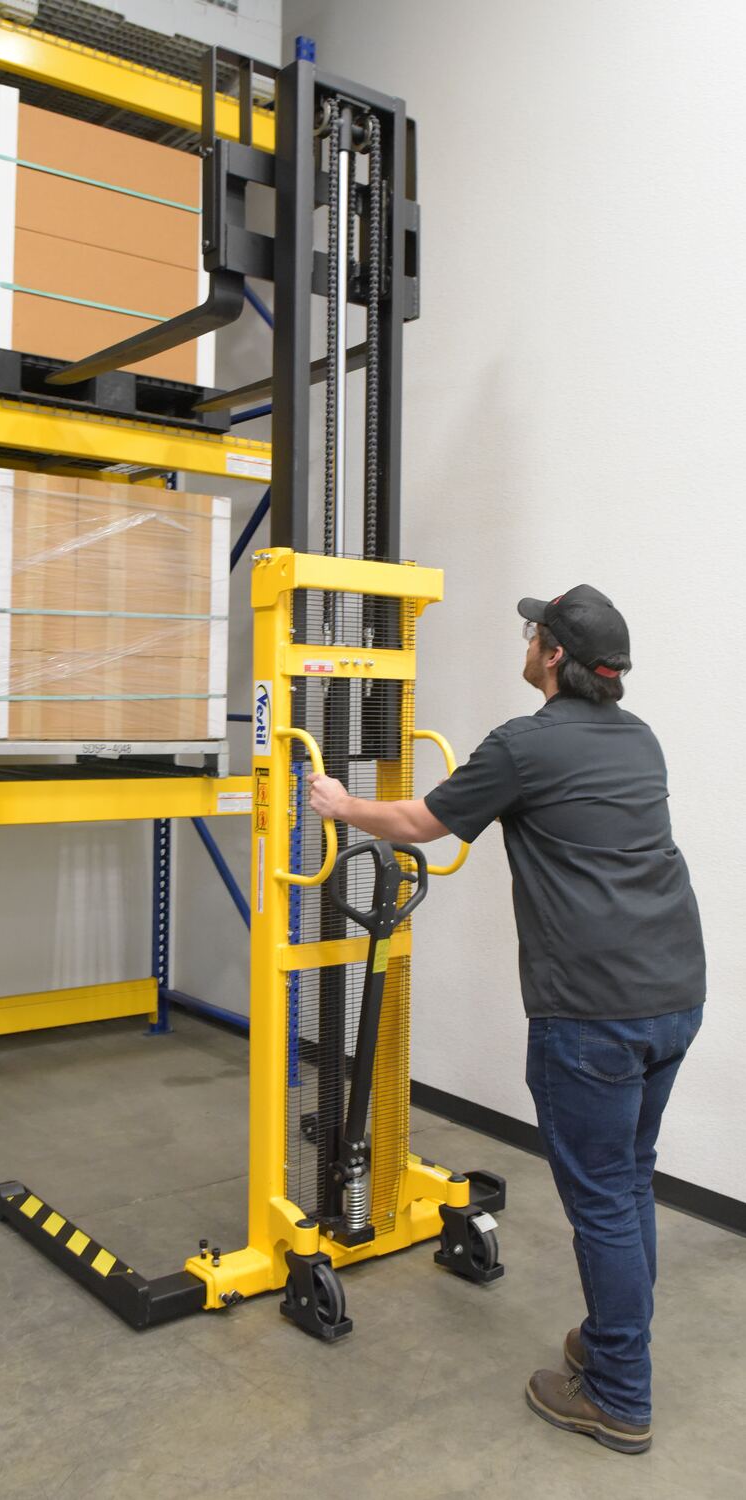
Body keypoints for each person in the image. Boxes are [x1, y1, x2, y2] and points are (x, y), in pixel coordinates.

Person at [308, 584, 705, 1456]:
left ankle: (617, 1395)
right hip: (676, 995)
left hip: (592, 1014)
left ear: (554, 656)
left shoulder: (525, 744)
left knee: (602, 1202)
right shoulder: (639, 739)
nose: (525, 642)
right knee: (627, 1182)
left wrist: (338, 804)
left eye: (533, 633)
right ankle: (611, 1344)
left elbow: (420, 822)